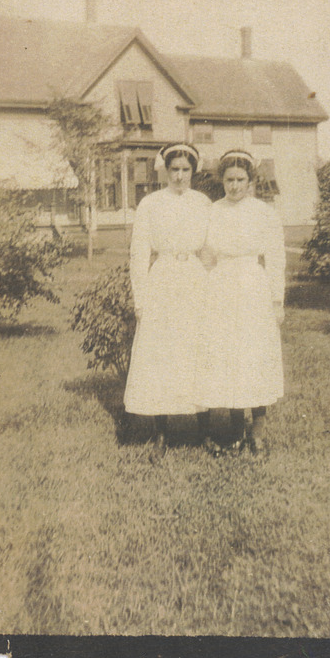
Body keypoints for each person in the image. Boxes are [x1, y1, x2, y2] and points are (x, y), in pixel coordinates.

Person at [196, 150, 286, 456]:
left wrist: (277, 300)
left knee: (255, 357)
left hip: (253, 287)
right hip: (221, 286)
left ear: (251, 181)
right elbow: (205, 254)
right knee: (230, 359)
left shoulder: (263, 212)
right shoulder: (213, 211)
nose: (234, 186)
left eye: (240, 180)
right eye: (229, 179)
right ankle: (235, 431)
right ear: (221, 180)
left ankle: (257, 434)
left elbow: (276, 258)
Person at [124, 143, 211, 454]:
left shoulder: (203, 203)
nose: (179, 176)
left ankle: (204, 430)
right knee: (161, 353)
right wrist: (140, 297)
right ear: (164, 170)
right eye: (174, 169)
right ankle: (162, 433)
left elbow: (211, 250)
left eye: (185, 170)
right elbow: (139, 253)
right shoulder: (150, 204)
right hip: (162, 279)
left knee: (197, 350)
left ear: (193, 172)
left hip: (195, 280)